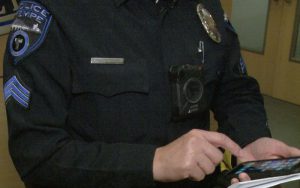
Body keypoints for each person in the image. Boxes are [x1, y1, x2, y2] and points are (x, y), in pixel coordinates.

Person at [3, 0, 300, 187]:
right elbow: (37, 154)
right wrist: (153, 162)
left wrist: (250, 140)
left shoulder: (204, 8)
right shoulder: (53, 13)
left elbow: (234, 88)